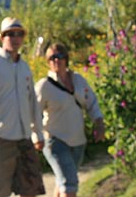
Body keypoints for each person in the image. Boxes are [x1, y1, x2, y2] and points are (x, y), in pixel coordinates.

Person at [0, 17, 46, 197]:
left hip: (24, 138)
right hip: (0, 139)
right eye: (10, 34)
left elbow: (32, 103)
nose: (15, 38)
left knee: (30, 190)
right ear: (1, 37)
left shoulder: (24, 68)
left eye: (19, 34)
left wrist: (38, 132)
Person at [35, 43, 105, 197]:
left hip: (78, 141)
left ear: (66, 59)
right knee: (69, 183)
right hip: (55, 141)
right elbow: (33, 113)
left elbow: (91, 103)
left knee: (63, 182)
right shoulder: (44, 86)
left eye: (58, 56)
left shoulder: (79, 80)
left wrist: (99, 123)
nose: (55, 60)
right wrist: (36, 137)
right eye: (51, 58)